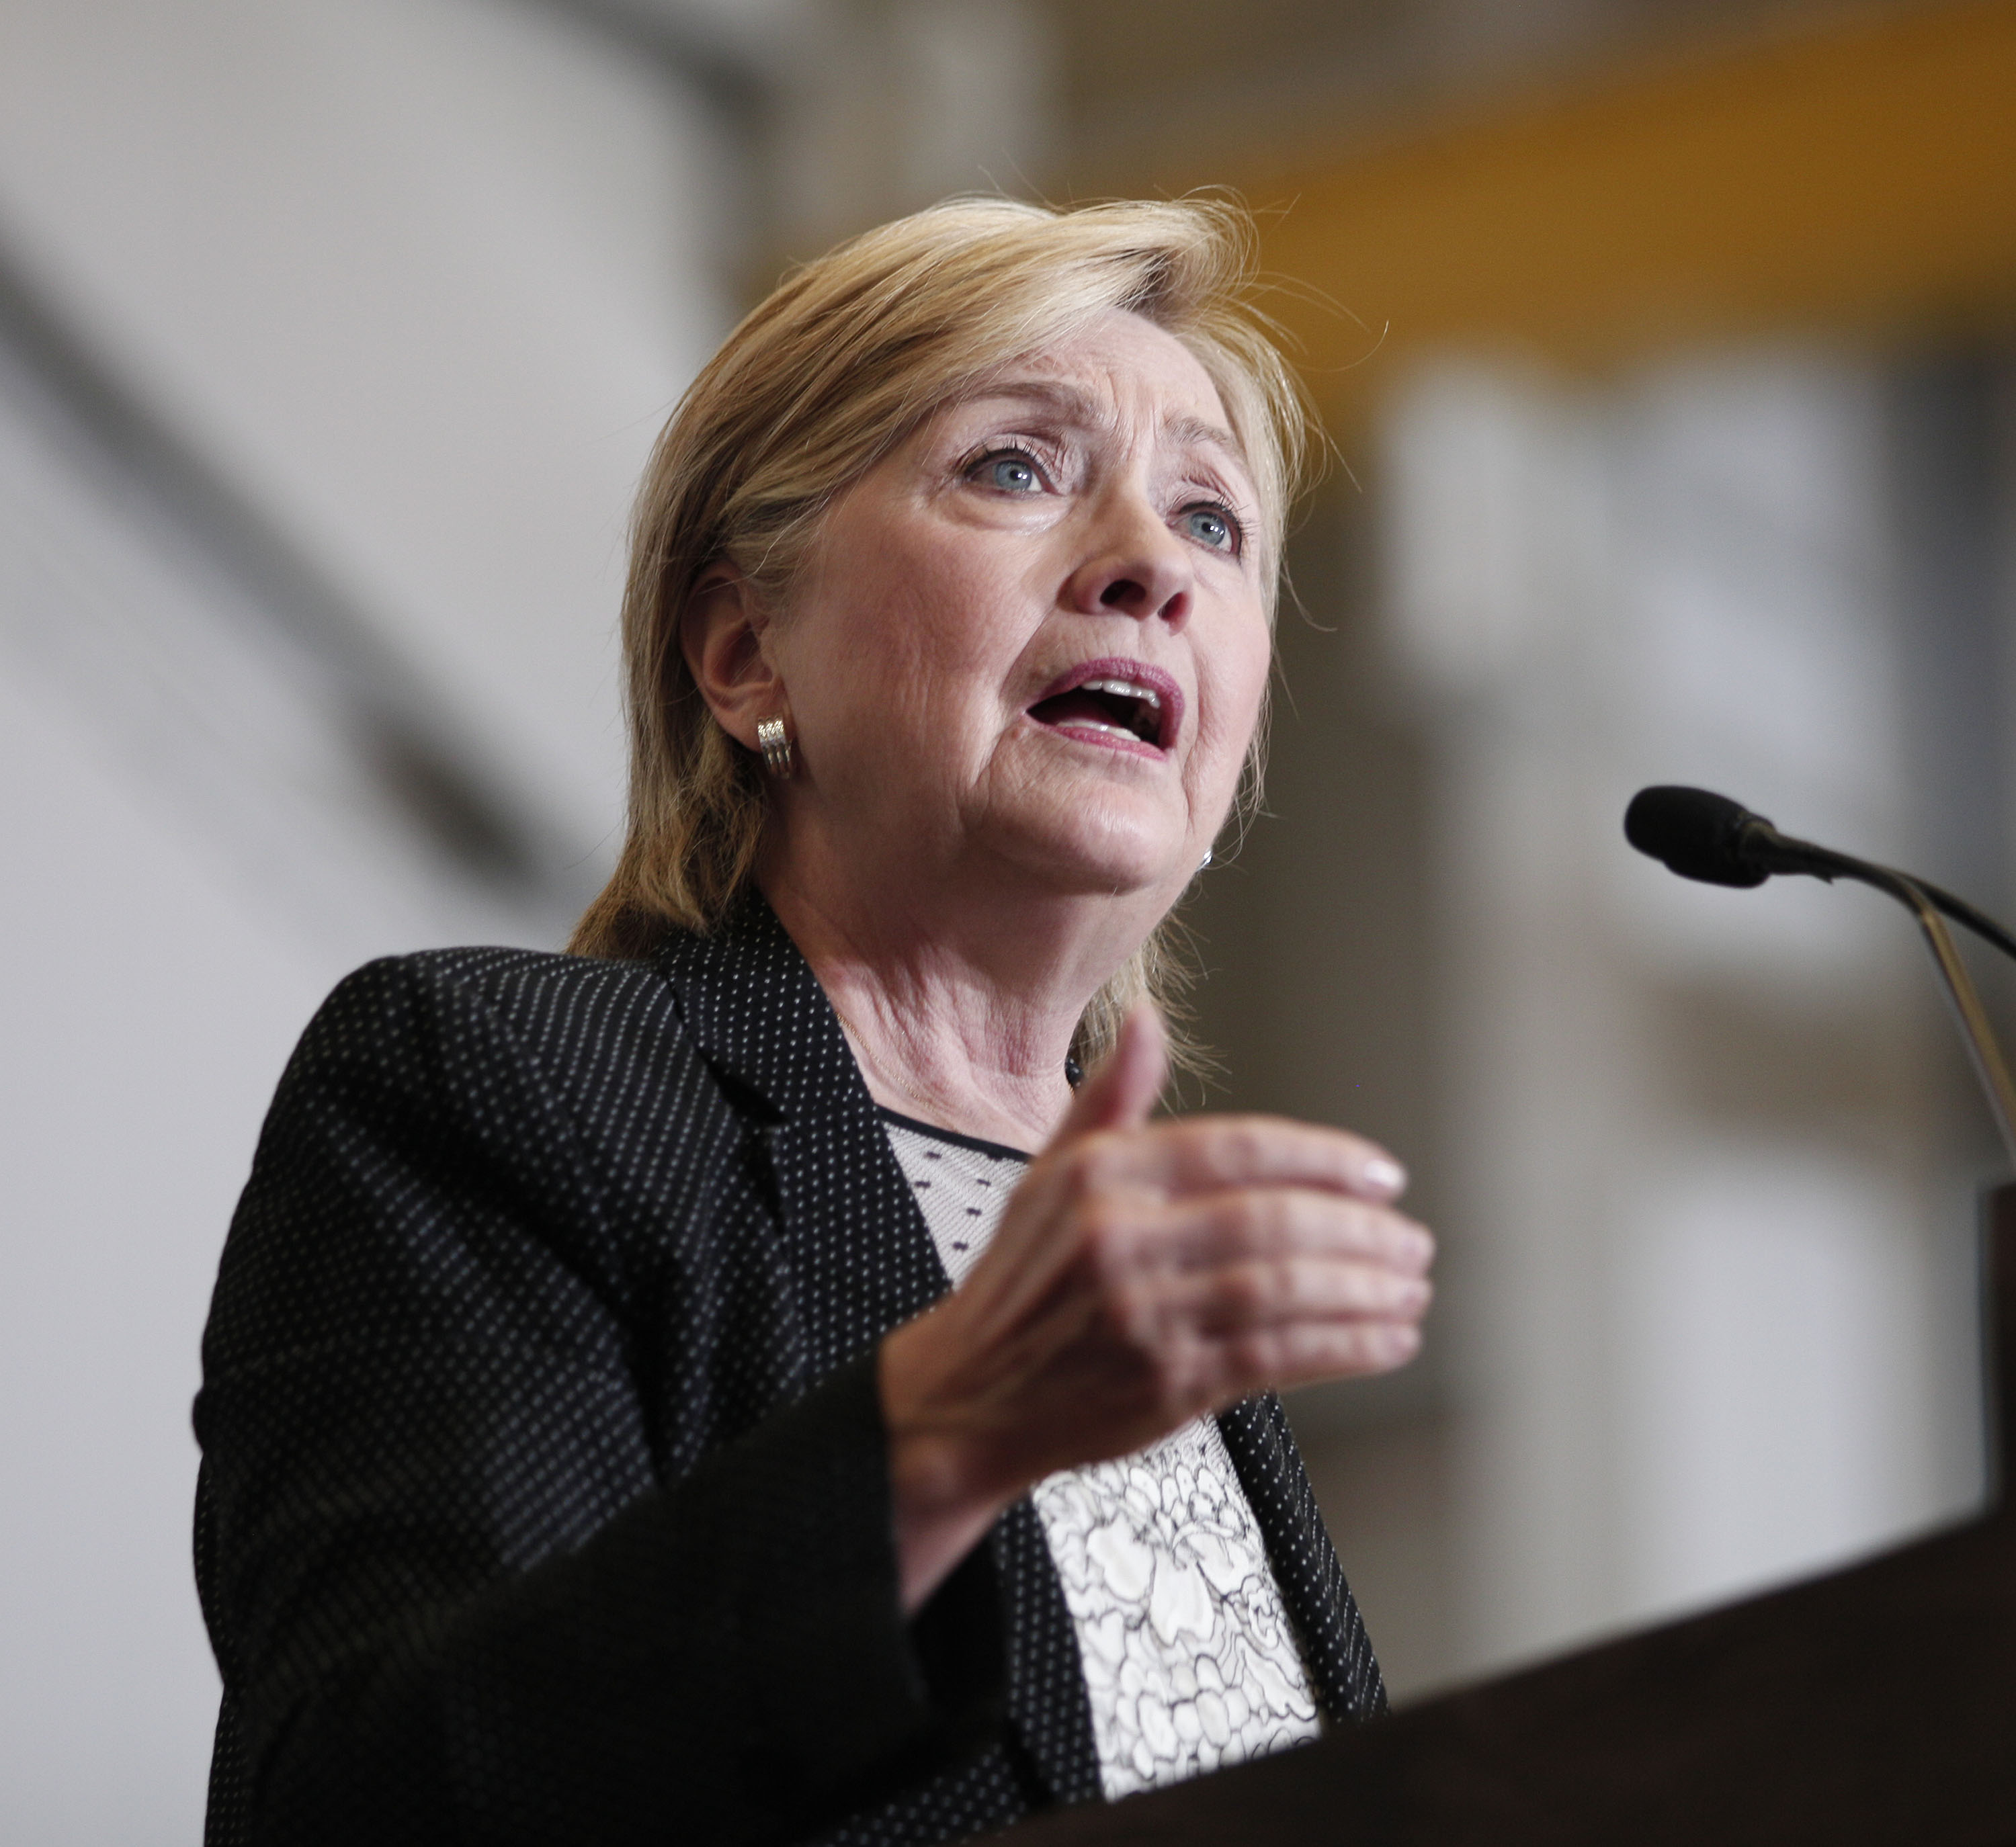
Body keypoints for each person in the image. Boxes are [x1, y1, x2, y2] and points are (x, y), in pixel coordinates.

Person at [193, 195, 1435, 1847]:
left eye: (1214, 522)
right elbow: (369, 1807)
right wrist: (932, 1443)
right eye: (1016, 465)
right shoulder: (500, 1087)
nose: (1151, 561)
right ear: (740, 647)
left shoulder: (1153, 1272)